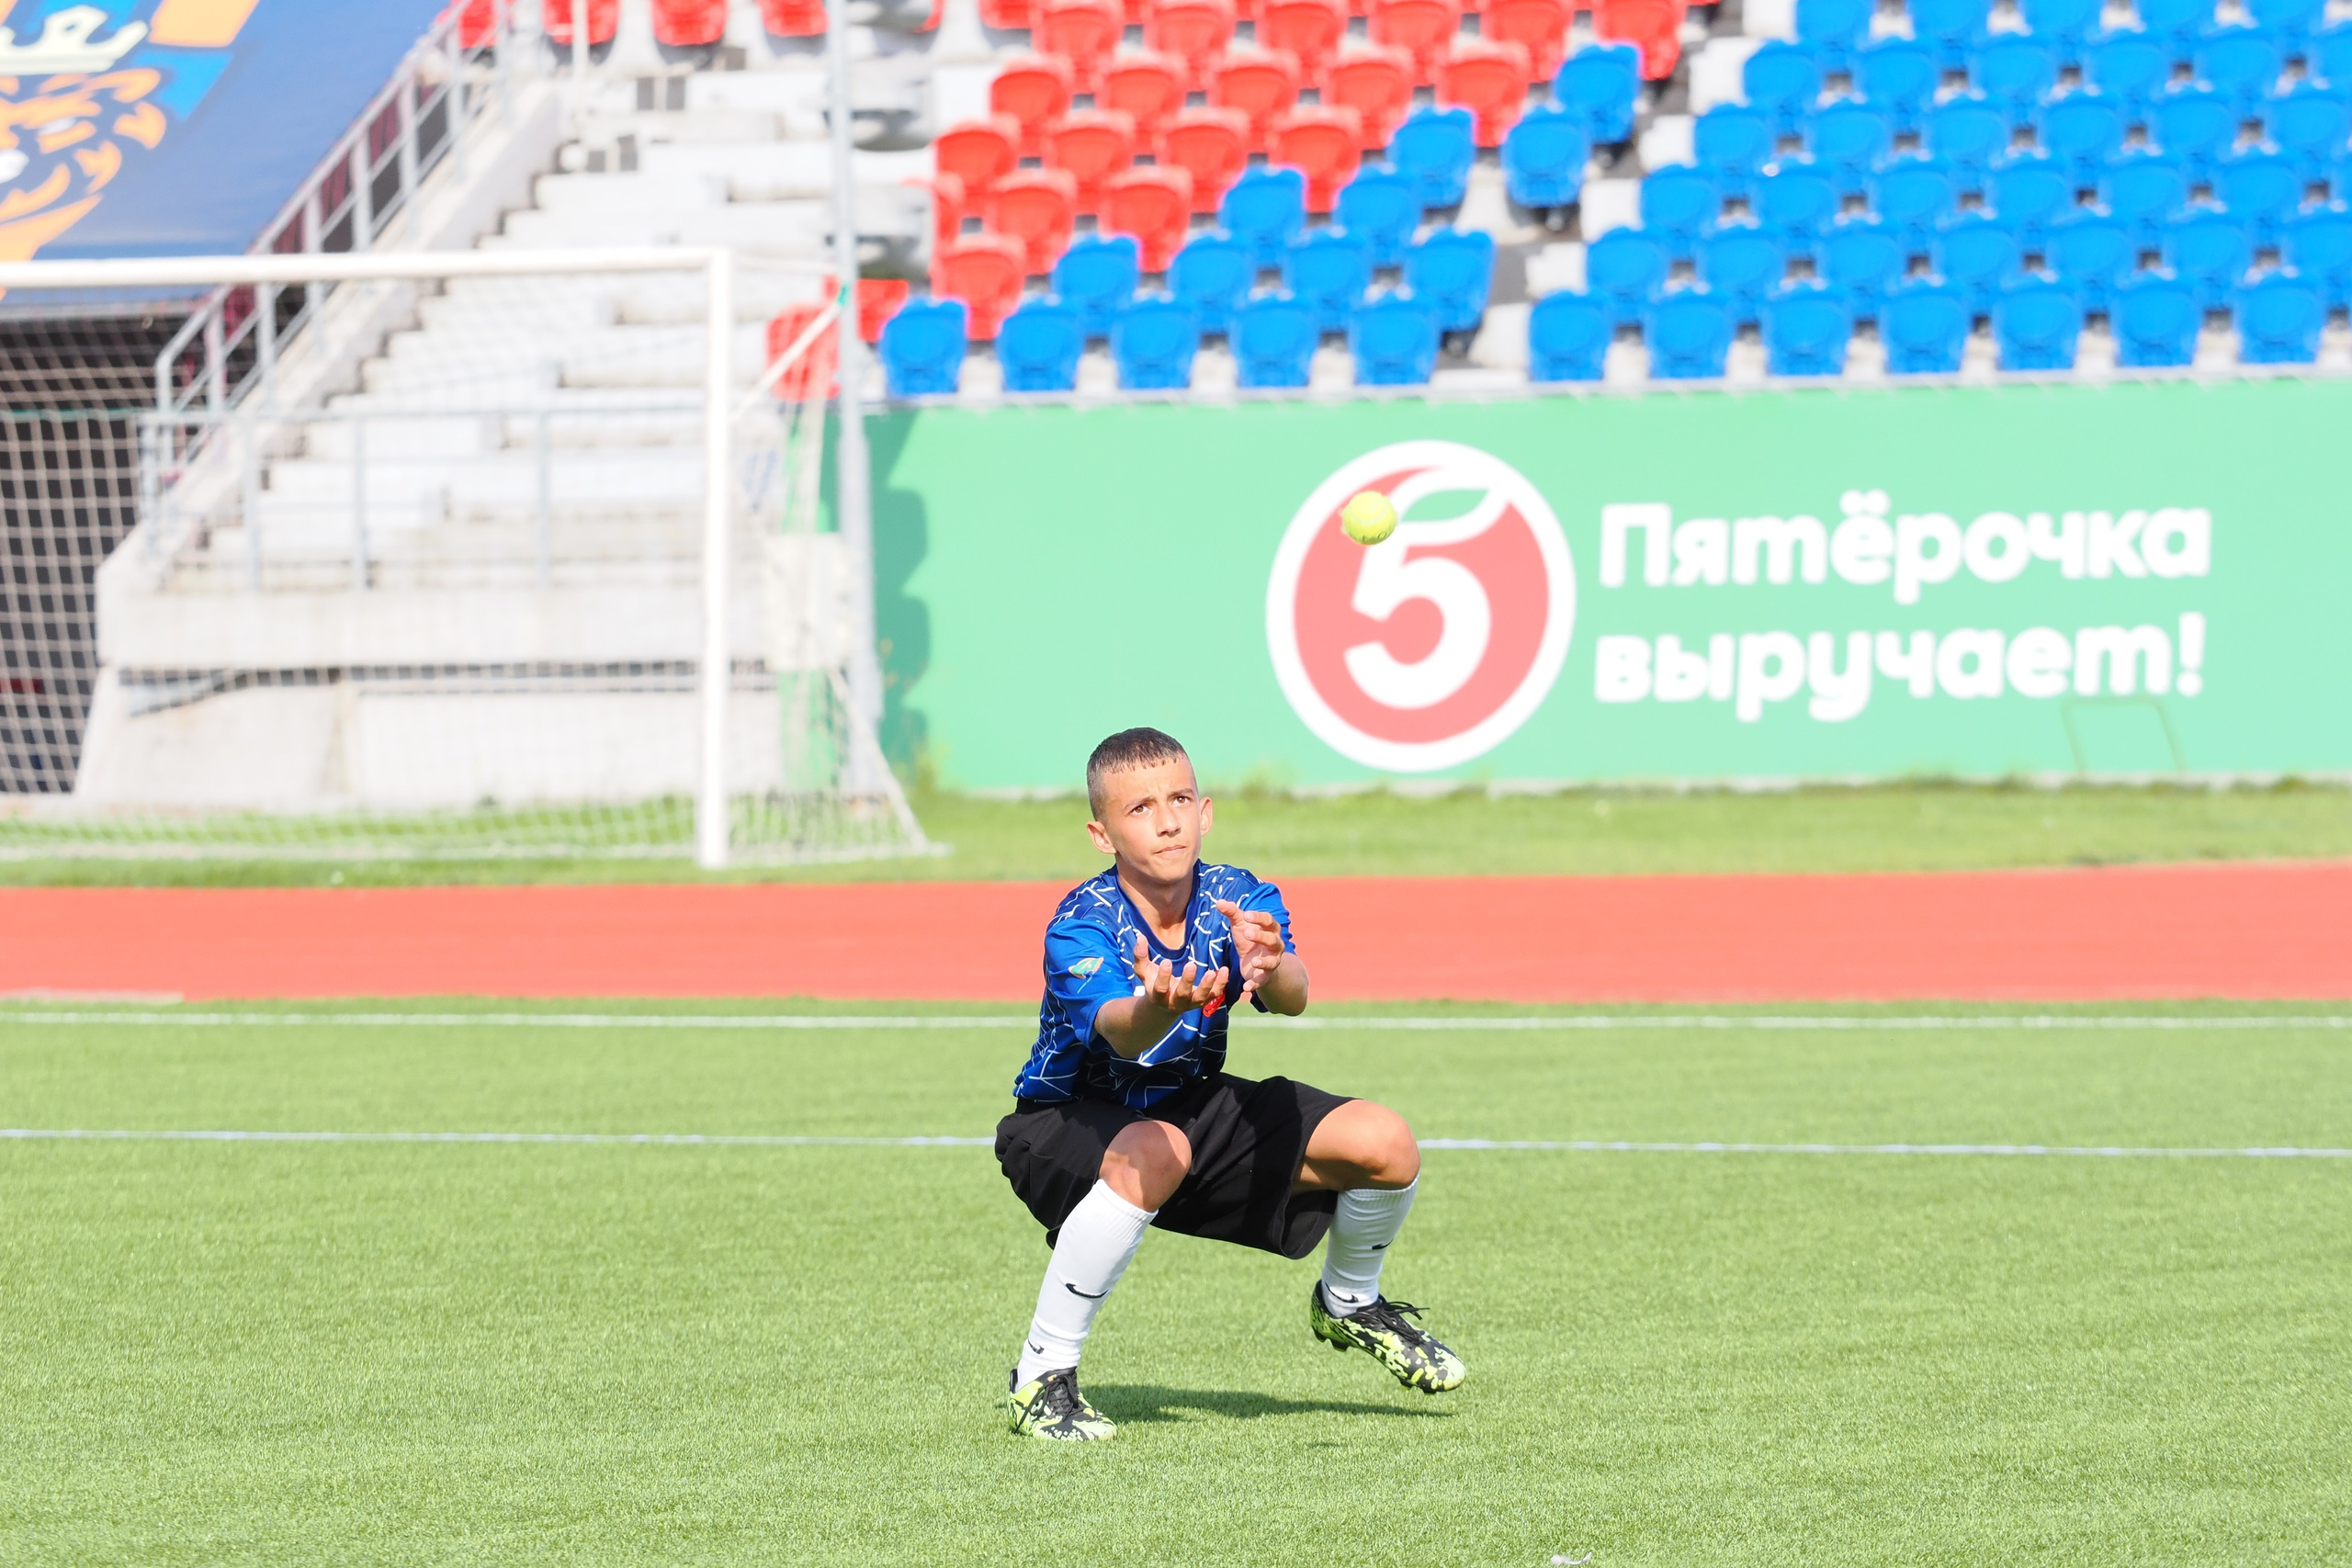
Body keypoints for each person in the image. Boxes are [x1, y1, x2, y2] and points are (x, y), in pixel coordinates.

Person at [995, 727, 1464, 1441]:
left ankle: (1348, 1302)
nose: (1168, 819)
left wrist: (1273, 964)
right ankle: (1041, 1376)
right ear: (1101, 833)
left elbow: (1294, 998)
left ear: (1206, 810)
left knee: (1385, 1142)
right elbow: (1123, 1030)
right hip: (1063, 1122)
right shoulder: (1081, 922)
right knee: (1157, 1148)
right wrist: (1159, 1004)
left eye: (1180, 798)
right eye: (1141, 807)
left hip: (1188, 1113)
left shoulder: (1238, 894)